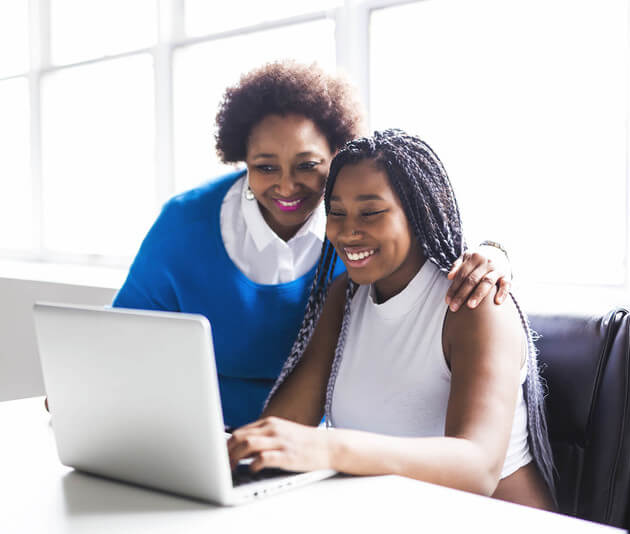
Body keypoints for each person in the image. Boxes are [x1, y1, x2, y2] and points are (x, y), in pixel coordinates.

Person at [111, 61, 515, 429]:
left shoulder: (355, 229)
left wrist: (496, 252)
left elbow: (434, 228)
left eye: (308, 166)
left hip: (314, 445)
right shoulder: (185, 223)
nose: (287, 186)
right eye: (265, 167)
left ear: (337, 156)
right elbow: (121, 337)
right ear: (243, 161)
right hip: (197, 432)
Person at [226, 130, 557, 510]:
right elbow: (287, 425)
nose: (348, 231)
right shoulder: (344, 298)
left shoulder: (475, 304)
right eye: (335, 212)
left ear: (420, 215)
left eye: (370, 212)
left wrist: (331, 447)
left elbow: (477, 468)